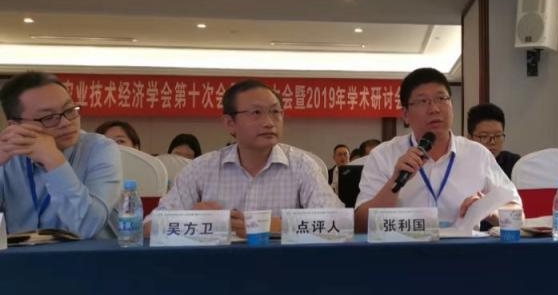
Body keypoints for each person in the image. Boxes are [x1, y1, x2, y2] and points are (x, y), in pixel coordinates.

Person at [145, 79, 342, 236]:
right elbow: (147, 228)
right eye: (256, 113)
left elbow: (339, 222)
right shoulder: (200, 169)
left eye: (275, 112)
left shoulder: (302, 166)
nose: (269, 122)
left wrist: (270, 225)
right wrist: (193, 221)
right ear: (230, 123)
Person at [354, 67, 520, 232]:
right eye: (422, 101)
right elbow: (360, 225)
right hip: (403, 247)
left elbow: (517, 212)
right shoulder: (383, 156)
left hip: (463, 248)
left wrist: (489, 210)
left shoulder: (478, 154)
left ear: (451, 105)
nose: (434, 109)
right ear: (405, 114)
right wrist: (394, 182)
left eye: (441, 98)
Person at [0, 71, 122, 238]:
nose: (66, 122)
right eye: (48, 117)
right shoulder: (7, 155)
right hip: (18, 254)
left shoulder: (100, 149)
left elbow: (87, 226)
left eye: (69, 110)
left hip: (86, 253)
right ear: (15, 125)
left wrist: (53, 160)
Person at [467, 103, 521, 179]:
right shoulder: (461, 164)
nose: (492, 142)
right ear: (470, 138)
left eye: (498, 135)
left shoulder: (514, 164)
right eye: (484, 136)